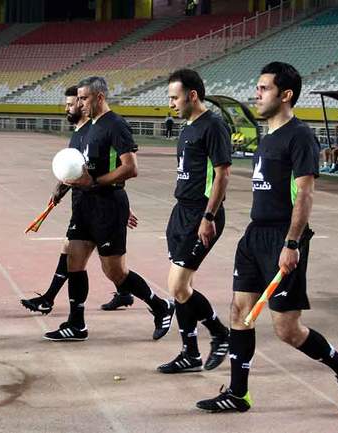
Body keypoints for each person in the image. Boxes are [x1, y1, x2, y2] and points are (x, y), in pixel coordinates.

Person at [197, 62, 338, 414]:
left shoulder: (299, 136)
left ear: (285, 95)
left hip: (282, 238)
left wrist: (292, 243)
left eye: (264, 88)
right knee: (239, 312)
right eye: (257, 88)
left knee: (287, 329)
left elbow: (305, 194)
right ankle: (238, 393)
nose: (256, 94)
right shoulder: (269, 136)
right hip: (255, 235)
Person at [44, 76, 174, 342]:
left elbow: (130, 168)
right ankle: (76, 324)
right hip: (84, 206)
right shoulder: (86, 129)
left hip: (107, 206)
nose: (80, 103)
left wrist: (95, 183)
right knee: (73, 260)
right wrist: (61, 188)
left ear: (99, 97)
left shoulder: (115, 125)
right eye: (78, 99)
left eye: (84, 98)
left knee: (115, 272)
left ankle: (161, 306)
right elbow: (78, 168)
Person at [21, 86, 136, 314]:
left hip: (100, 206)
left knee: (111, 267)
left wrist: (122, 207)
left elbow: (112, 171)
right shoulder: (80, 133)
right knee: (74, 253)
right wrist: (59, 191)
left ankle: (152, 302)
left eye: (73, 103)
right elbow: (75, 172)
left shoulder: (100, 128)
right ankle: (58, 305)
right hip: (84, 205)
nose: (70, 107)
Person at [157, 69, 231, 374]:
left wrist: (208, 216)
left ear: (192, 95)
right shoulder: (188, 127)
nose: (171, 103)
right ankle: (190, 353)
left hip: (202, 215)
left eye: (175, 97)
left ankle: (220, 333)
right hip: (181, 212)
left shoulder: (213, 125)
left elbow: (222, 174)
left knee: (177, 285)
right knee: (182, 288)